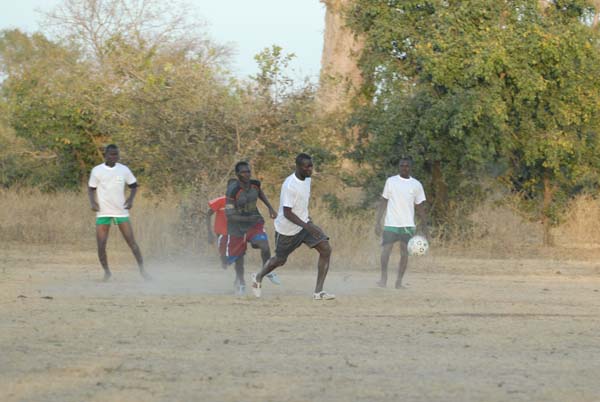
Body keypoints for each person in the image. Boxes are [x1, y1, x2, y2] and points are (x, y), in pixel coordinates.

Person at [251, 153, 335, 300]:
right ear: (297, 167)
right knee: (279, 260)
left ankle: (318, 292)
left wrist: (308, 222)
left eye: (311, 166)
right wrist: (307, 226)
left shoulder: (307, 179)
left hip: (304, 224)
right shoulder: (290, 185)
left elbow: (301, 204)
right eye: (306, 167)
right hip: (287, 230)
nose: (310, 169)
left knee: (326, 249)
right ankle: (258, 277)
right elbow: (288, 213)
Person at [87, 144, 150, 281]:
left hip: (121, 212)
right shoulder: (97, 170)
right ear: (106, 155)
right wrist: (92, 202)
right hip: (103, 212)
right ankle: (107, 272)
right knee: (101, 245)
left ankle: (143, 270)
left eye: (116, 154)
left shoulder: (124, 170)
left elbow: (133, 186)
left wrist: (131, 199)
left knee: (132, 243)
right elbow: (91, 188)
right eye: (111, 154)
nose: (114, 157)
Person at [222, 162, 280, 295]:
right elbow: (229, 215)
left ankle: (267, 270)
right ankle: (240, 282)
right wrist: (247, 219)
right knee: (239, 258)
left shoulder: (255, 184)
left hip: (254, 223)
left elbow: (260, 193)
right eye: (243, 172)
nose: (247, 174)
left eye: (248, 171)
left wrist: (270, 208)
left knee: (264, 246)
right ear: (237, 175)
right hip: (236, 226)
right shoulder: (232, 190)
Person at [374, 157, 428, 289]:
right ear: (399, 167)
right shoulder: (391, 181)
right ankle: (383, 278)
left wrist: (425, 225)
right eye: (402, 166)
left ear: (411, 167)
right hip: (391, 223)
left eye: (407, 166)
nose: (404, 168)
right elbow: (384, 201)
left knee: (404, 253)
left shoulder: (416, 185)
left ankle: (398, 282)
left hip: (407, 225)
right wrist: (377, 221)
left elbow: (420, 206)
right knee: (386, 251)